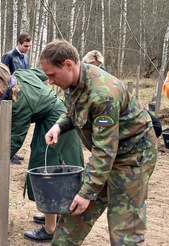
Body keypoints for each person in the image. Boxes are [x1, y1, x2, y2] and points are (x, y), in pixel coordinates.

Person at [40, 39, 158, 245]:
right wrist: (59, 125)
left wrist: (87, 193)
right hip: (107, 154)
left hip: (132, 158)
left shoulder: (103, 94)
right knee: (73, 216)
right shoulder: (75, 83)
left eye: (51, 75)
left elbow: (105, 150)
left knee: (124, 230)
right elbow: (75, 112)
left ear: (68, 64)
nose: (49, 81)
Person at [0, 62, 84, 243]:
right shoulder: (21, 74)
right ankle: (54, 213)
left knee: (45, 170)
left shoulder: (21, 103)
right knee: (48, 166)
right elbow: (44, 73)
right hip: (53, 116)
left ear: (3, 81)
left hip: (56, 122)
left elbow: (14, 141)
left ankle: (51, 228)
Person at [83, 51, 162, 138]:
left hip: (125, 111)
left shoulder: (106, 78)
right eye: (92, 67)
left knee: (156, 126)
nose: (96, 70)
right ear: (85, 65)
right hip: (109, 121)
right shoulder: (83, 83)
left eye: (98, 66)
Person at [1, 33, 32, 164]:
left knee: (17, 124)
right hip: (11, 94)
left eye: (29, 46)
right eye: (25, 46)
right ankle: (7, 153)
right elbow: (3, 76)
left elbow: (27, 74)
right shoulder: (8, 56)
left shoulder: (25, 56)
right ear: (18, 43)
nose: (27, 48)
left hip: (22, 94)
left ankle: (13, 152)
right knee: (10, 124)